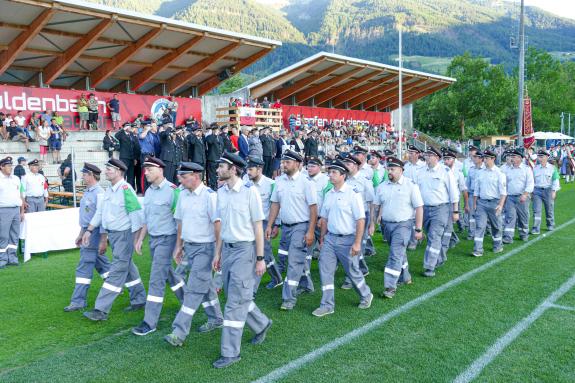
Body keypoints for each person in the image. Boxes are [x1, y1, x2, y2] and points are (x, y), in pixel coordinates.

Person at [211, 152, 272, 369]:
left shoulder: (250, 192)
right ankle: (262, 323)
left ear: (233, 169)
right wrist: (218, 254)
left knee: (234, 303)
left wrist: (260, 258)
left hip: (245, 251)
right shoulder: (221, 192)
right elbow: (222, 227)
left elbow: (258, 227)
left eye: (221, 166)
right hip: (227, 250)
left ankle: (230, 353)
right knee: (237, 295)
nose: (218, 169)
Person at [163, 161, 224, 345]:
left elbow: (218, 226)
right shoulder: (183, 195)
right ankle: (217, 319)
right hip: (189, 247)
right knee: (205, 287)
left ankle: (179, 332)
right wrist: (178, 246)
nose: (179, 179)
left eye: (183, 176)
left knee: (193, 290)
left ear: (196, 176)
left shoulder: (210, 197)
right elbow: (180, 222)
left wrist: (217, 253)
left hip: (206, 249)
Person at [82, 159, 147, 321]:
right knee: (128, 267)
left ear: (119, 171)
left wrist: (137, 239)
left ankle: (100, 309)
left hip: (125, 235)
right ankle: (139, 299)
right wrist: (89, 230)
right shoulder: (109, 190)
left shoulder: (126, 189)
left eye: (109, 169)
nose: (106, 171)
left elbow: (137, 216)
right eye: (106, 169)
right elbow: (100, 213)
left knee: (117, 270)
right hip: (115, 235)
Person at [131, 157, 186, 336]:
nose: (145, 172)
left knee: (156, 279)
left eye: (149, 169)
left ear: (160, 170)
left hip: (167, 239)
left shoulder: (172, 191)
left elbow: (180, 222)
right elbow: (148, 218)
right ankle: (188, 302)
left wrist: (179, 245)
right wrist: (140, 238)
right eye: (145, 169)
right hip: (154, 240)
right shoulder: (149, 191)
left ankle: (149, 321)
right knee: (168, 273)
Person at [312, 159, 373, 317]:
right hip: (330, 239)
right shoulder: (329, 194)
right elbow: (324, 218)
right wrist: (322, 239)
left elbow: (360, 219)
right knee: (325, 270)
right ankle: (327, 305)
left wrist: (357, 243)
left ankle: (365, 294)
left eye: (333, 173)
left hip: (348, 239)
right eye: (329, 172)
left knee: (352, 271)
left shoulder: (353, 194)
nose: (330, 175)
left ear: (343, 175)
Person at [266, 149, 318, 311]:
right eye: (283, 162)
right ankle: (307, 285)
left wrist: (310, 231)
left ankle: (288, 298)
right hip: (286, 227)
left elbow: (313, 209)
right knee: (296, 259)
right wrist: (271, 225)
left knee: (294, 261)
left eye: (287, 162)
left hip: (301, 226)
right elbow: (275, 204)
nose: (283, 165)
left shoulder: (306, 183)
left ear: (297, 164)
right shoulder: (279, 181)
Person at [370, 157, 423, 298]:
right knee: (399, 253)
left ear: (401, 170)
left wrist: (418, 229)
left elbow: (419, 208)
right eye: (388, 168)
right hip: (386, 225)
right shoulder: (382, 186)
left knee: (395, 254)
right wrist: (372, 223)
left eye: (392, 169)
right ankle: (405, 276)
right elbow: (376, 205)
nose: (389, 171)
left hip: (404, 225)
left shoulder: (411, 186)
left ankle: (390, 287)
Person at [64, 163, 111, 311]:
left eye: (84, 174)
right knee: (101, 263)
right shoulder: (89, 191)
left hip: (94, 233)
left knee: (84, 266)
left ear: (91, 175)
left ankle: (78, 301)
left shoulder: (99, 193)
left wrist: (103, 239)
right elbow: (85, 216)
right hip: (87, 231)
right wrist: (81, 233)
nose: (82, 176)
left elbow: (102, 218)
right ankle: (114, 285)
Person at [415, 147, 459, 276]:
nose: (427, 157)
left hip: (440, 209)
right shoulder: (420, 171)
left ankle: (429, 266)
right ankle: (440, 257)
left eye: (430, 155)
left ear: (437, 158)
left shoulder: (445, 171)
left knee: (434, 236)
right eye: (426, 155)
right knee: (431, 236)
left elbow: (453, 193)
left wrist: (455, 211)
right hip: (424, 209)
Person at [244, 157, 283, 293]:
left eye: (250, 169)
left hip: (264, 223)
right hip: (248, 223)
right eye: (247, 169)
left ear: (259, 170)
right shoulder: (244, 181)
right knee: (265, 253)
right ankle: (277, 278)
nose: (247, 172)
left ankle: (252, 290)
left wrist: (275, 225)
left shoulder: (271, 184)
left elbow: (275, 205)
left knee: (258, 254)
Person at [340, 154, 373, 282]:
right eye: (345, 164)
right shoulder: (344, 180)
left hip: (361, 216)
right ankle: (362, 269)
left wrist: (372, 224)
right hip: (347, 217)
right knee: (350, 245)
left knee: (355, 245)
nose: (345, 166)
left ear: (356, 166)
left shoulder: (365, 181)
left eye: (348, 164)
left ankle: (351, 277)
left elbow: (371, 202)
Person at [472, 149, 507, 257]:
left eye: (487, 158)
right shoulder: (480, 173)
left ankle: (498, 245)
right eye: (484, 158)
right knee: (480, 226)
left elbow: (503, 192)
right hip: (481, 203)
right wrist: (474, 204)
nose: (485, 160)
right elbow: (476, 190)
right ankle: (478, 249)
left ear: (493, 159)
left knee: (496, 226)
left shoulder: (499, 173)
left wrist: (500, 205)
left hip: (494, 203)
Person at [502, 149, 534, 243]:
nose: (511, 158)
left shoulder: (526, 169)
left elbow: (530, 184)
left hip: (522, 197)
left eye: (514, 156)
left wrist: (525, 194)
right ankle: (508, 237)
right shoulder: (507, 169)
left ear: (520, 158)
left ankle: (523, 233)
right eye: (511, 156)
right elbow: (504, 183)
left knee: (523, 217)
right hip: (510, 197)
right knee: (510, 217)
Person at [0, 156, 24, 268]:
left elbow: (20, 195)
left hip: (16, 210)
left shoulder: (16, 179)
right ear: (1, 167)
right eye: (8, 166)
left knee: (14, 235)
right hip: (3, 210)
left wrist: (22, 211)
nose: (11, 168)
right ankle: (2, 259)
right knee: (3, 236)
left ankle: (12, 258)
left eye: (11, 165)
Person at [531, 149, 560, 234]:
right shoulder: (535, 168)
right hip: (537, 191)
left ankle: (550, 224)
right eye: (539, 156)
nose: (539, 158)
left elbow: (555, 180)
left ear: (547, 157)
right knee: (536, 210)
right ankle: (536, 228)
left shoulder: (552, 168)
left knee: (549, 209)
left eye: (541, 156)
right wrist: (532, 192)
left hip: (548, 190)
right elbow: (532, 181)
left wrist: (554, 191)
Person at [465, 149, 484, 240]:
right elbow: (467, 185)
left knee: (483, 215)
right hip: (472, 194)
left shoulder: (485, 169)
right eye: (473, 157)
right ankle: (472, 232)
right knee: (471, 214)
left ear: (481, 158)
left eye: (476, 157)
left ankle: (486, 229)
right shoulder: (471, 169)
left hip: (483, 195)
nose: (473, 158)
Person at [115, 122, 136, 188]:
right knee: (123, 174)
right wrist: (123, 129)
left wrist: (135, 158)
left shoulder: (131, 134)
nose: (130, 128)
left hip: (131, 157)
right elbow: (116, 136)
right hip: (124, 157)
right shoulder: (121, 134)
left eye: (130, 126)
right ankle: (121, 188)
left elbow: (134, 145)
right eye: (128, 126)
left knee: (131, 175)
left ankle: (130, 189)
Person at [205, 124, 224, 191]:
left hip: (219, 159)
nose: (217, 131)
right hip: (212, 158)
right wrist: (214, 135)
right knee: (212, 174)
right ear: (213, 130)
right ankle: (213, 186)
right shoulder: (209, 137)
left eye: (218, 130)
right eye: (216, 130)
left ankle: (218, 185)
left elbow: (222, 147)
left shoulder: (220, 138)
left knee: (219, 173)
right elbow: (210, 142)